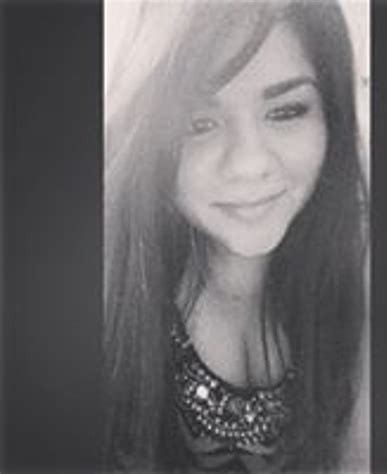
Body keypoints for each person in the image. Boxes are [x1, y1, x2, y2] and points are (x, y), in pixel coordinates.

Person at [104, 0, 369, 472]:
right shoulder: (102, 304)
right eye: (198, 123)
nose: (249, 163)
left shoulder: (365, 283)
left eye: (286, 111)